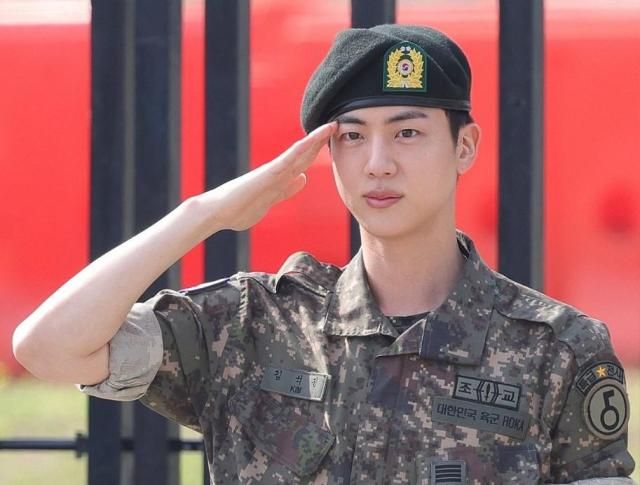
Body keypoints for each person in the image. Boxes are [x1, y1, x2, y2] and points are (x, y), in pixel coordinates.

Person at [12, 24, 635, 484]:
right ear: (327, 154)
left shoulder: (556, 349)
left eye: (408, 132)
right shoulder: (253, 325)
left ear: (464, 147)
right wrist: (203, 214)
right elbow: (47, 347)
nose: (378, 163)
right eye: (353, 137)